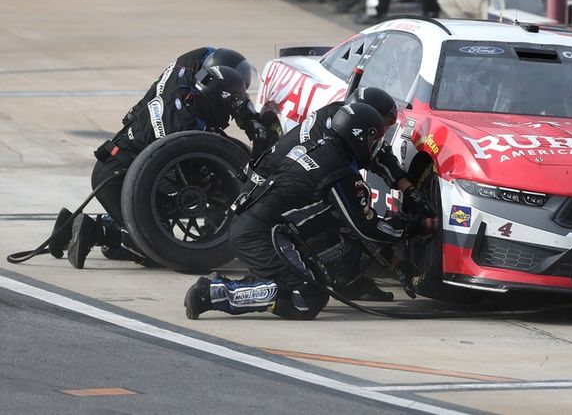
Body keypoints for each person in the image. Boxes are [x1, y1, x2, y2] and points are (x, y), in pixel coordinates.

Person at [183, 102, 437, 320]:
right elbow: (366, 227)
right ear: (360, 136)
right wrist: (413, 225)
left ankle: (338, 280)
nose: (376, 145)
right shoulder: (339, 172)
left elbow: (345, 224)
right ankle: (216, 292)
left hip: (259, 226)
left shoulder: (323, 148)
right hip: (261, 235)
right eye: (375, 138)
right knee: (307, 298)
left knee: (338, 238)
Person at [64, 47, 266, 268]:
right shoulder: (182, 125)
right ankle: (94, 231)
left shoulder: (192, 65)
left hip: (120, 160)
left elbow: (213, 67)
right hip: (117, 175)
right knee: (157, 251)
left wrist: (250, 116)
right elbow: (183, 178)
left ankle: (68, 229)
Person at [247, 86, 428, 302]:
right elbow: (362, 225)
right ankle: (335, 276)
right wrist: (403, 238)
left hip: (268, 203)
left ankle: (345, 278)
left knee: (350, 208)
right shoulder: (332, 150)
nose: (381, 138)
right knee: (346, 223)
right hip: (263, 206)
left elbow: (380, 156)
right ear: (361, 124)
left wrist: (409, 189)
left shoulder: (341, 123)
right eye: (377, 131)